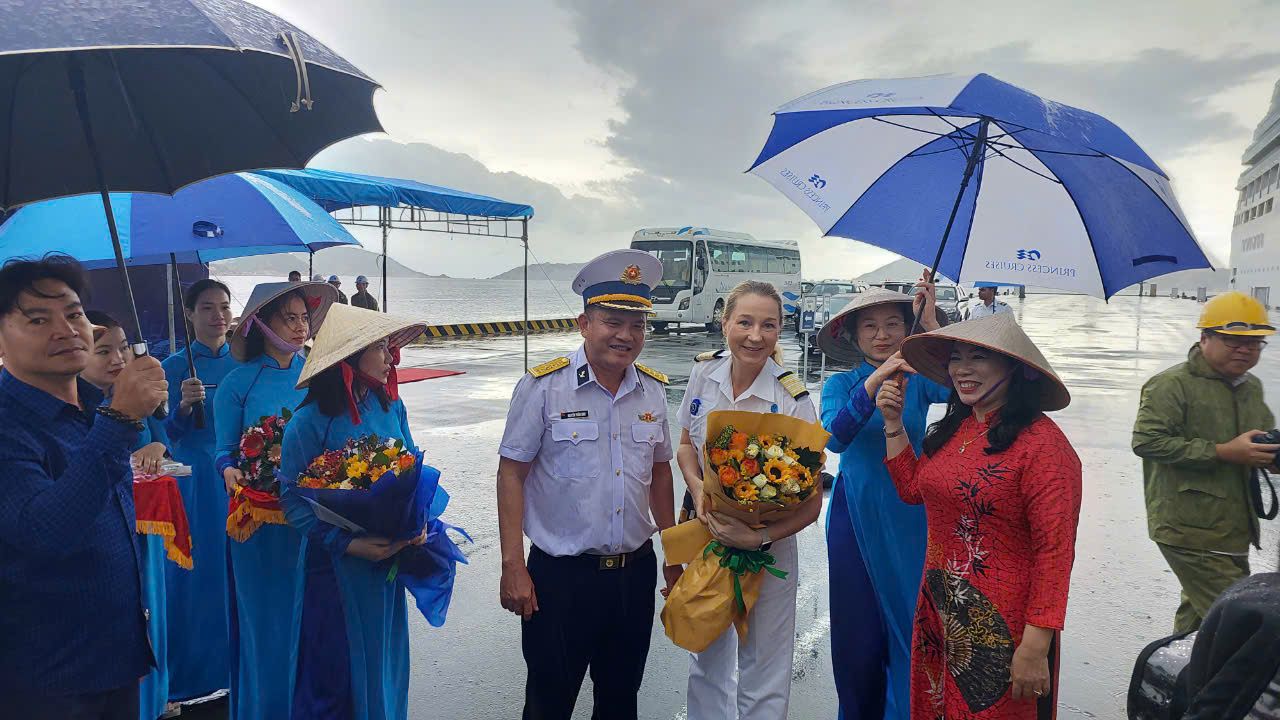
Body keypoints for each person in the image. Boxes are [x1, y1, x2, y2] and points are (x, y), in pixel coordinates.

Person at [497, 249, 680, 720]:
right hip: (561, 579)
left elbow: (661, 472)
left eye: (636, 324)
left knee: (620, 701)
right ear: (584, 323)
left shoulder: (653, 391)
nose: (625, 335)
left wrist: (674, 557)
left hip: (633, 574)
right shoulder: (543, 387)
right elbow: (511, 473)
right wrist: (513, 565)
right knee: (548, 702)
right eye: (612, 321)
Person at [877, 313, 1082, 718]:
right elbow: (913, 490)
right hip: (940, 615)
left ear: (1015, 367)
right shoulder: (956, 428)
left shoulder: (1045, 448)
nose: (963, 369)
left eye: (979, 357)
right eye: (955, 357)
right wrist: (893, 423)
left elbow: (1055, 553)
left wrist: (1037, 643)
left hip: (1005, 629)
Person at [0, 256, 167, 719]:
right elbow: (44, 532)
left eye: (74, 314)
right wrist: (119, 422)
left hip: (114, 659)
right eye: (38, 319)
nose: (66, 329)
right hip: (45, 678)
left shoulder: (94, 407)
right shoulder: (9, 424)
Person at [675, 281, 818, 720]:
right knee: (707, 659)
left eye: (768, 325)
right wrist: (699, 489)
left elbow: (811, 505)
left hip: (769, 552)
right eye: (745, 322)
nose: (756, 335)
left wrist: (758, 536)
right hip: (708, 540)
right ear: (725, 324)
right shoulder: (703, 373)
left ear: (780, 330)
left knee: (764, 668)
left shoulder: (793, 400)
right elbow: (684, 445)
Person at [279, 303, 428, 720]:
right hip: (335, 572)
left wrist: (418, 523)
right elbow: (292, 500)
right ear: (349, 356)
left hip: (387, 568)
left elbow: (412, 469)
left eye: (388, 346)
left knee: (386, 666)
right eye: (379, 347)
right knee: (336, 676)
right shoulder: (308, 423)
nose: (390, 357)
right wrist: (348, 543)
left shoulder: (391, 407)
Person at [815, 281, 946, 720]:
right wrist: (872, 385)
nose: (882, 334)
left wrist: (931, 328)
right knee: (858, 630)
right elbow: (834, 437)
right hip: (856, 514)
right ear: (852, 335)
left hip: (914, 511)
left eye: (893, 323)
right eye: (869, 325)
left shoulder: (919, 379)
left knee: (914, 619)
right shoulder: (841, 383)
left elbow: (968, 385)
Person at [214, 281, 337, 720]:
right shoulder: (236, 383)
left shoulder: (320, 375)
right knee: (265, 625)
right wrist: (230, 470)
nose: (301, 326)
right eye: (290, 317)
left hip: (313, 521)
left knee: (313, 622)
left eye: (305, 317)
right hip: (260, 525)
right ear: (260, 324)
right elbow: (223, 451)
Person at [1132, 291, 1277, 633]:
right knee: (1239, 620)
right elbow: (1147, 442)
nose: (1244, 350)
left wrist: (1268, 455)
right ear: (1204, 339)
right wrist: (1224, 452)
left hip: (1232, 526)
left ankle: (1177, 677)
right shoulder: (1171, 385)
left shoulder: (1250, 386)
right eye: (1232, 340)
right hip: (1188, 526)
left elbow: (1259, 436)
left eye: (1254, 343)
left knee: (1201, 620)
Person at [82, 311, 175, 720]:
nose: (117, 357)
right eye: (103, 350)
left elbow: (165, 441)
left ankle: (154, 701)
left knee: (150, 610)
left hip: (146, 526)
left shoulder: (142, 399)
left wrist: (158, 449)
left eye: (122, 347)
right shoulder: (81, 410)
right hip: (104, 532)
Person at [160, 278, 238, 703]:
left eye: (224, 306)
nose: (218, 315)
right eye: (207, 307)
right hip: (194, 485)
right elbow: (162, 435)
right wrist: (185, 407)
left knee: (237, 572)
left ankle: (237, 666)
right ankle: (188, 678)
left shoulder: (245, 364)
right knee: (196, 576)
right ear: (189, 314)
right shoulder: (171, 368)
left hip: (236, 479)